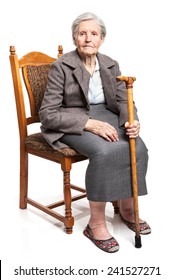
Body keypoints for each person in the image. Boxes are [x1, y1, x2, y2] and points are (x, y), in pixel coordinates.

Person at [39, 12, 151, 253]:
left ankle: (128, 209)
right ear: (74, 38)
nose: (88, 39)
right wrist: (88, 123)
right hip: (70, 120)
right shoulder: (62, 66)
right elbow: (47, 113)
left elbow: (124, 102)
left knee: (138, 146)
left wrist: (132, 121)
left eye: (93, 34)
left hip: (106, 116)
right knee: (104, 151)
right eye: (82, 34)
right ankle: (96, 223)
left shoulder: (110, 64)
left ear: (102, 39)